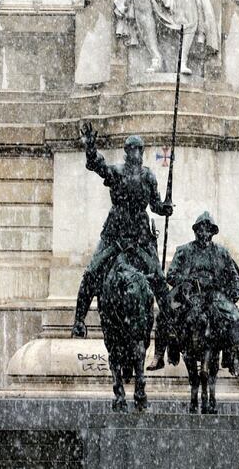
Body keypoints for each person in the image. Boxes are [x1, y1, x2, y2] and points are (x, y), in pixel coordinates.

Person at [71, 123, 174, 340]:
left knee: (157, 276)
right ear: (126, 152)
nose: (135, 153)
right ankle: (79, 321)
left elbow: (154, 205)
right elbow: (99, 167)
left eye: (139, 149)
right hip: (115, 232)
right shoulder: (117, 172)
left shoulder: (149, 176)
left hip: (140, 233)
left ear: (142, 152)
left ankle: (171, 322)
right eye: (132, 149)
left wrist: (164, 208)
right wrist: (91, 149)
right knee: (92, 272)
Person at [147, 211, 239, 377]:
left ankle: (233, 359)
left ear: (213, 232)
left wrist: (234, 293)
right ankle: (159, 355)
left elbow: (234, 276)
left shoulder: (222, 252)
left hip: (214, 294)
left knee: (235, 318)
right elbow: (171, 275)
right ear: (195, 231)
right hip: (188, 293)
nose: (203, 233)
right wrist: (188, 280)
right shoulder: (184, 251)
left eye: (207, 230)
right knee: (164, 313)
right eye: (200, 229)